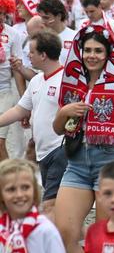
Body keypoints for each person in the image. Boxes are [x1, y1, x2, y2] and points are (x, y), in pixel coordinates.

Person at [52, 25, 114, 253]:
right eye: (87, 50)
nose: (92, 55)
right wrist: (66, 112)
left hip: (110, 161)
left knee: (105, 239)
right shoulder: (72, 84)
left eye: (98, 51)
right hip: (77, 161)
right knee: (63, 234)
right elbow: (59, 128)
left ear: (108, 54)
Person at [0, 31, 66, 221]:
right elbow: (20, 110)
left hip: (60, 149)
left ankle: (55, 242)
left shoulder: (65, 80)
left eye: (31, 52)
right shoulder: (37, 80)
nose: (28, 56)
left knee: (50, 203)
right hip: (42, 151)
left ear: (43, 55)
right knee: (53, 202)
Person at [0, 159, 66, 253]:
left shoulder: (45, 231)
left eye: (25, 187)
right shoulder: (3, 229)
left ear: (34, 191)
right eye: (11, 189)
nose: (19, 195)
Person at [0, 0, 25, 161]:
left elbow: (17, 69)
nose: (1, 16)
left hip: (4, 92)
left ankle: (6, 181)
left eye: (3, 12)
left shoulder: (13, 34)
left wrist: (25, 100)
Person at [37, 0, 76, 64]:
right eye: (41, 18)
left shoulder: (75, 37)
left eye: (46, 18)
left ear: (59, 16)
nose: (43, 21)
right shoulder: (40, 39)